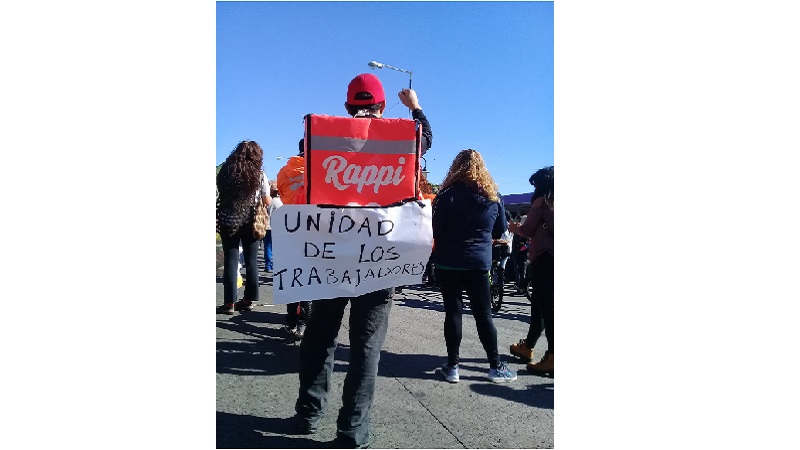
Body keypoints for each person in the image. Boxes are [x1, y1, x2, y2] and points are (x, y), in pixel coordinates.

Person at [294, 73, 432, 449]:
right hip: (379, 257)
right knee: (366, 347)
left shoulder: (321, 137)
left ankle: (308, 413)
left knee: (320, 337)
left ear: (347, 106)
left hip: (330, 254)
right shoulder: (403, 138)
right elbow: (426, 138)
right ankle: (352, 432)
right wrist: (415, 107)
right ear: (383, 106)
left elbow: (304, 149)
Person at [431, 149, 517, 384]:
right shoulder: (493, 197)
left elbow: (435, 230)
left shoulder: (445, 195)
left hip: (448, 261)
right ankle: (495, 365)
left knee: (453, 312)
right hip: (479, 262)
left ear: (456, 166)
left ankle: (452, 367)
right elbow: (500, 231)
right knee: (483, 314)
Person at [508, 166, 554, 376]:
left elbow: (527, 230)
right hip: (549, 259)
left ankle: (553, 357)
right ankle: (528, 346)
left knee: (547, 309)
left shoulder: (543, 202)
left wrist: (514, 228)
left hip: (545, 258)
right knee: (539, 305)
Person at [216, 140, 271, 314]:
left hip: (229, 220)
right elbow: (267, 200)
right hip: (252, 221)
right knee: (251, 261)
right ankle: (248, 300)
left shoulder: (225, 172)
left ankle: (229, 303)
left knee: (231, 261)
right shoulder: (260, 175)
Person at [276, 139, 311, 341]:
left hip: (291, 224)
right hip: (315, 227)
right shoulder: (320, 168)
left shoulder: (284, 171)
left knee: (292, 275)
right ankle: (304, 321)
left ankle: (290, 321)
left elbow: (282, 194)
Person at [263, 179, 283, 273]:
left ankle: (268, 265)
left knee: (267, 247)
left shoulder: (267, 201)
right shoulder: (280, 202)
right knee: (277, 247)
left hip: (267, 226)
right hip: (277, 227)